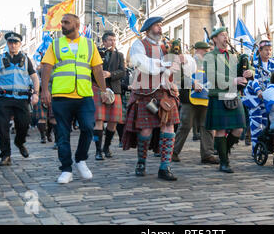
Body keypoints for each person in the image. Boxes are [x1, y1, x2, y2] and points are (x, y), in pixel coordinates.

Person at [40, 13, 108, 184]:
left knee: (88, 127)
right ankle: (66, 169)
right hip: (61, 96)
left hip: (84, 95)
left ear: (77, 25)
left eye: (66, 22)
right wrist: (44, 91)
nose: (62, 25)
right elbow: (46, 67)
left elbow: (98, 69)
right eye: (62, 22)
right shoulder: (55, 44)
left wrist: (104, 90)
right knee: (63, 134)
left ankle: (80, 159)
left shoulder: (89, 44)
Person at [123, 17, 181, 181]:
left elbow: (175, 68)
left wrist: (174, 68)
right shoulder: (138, 45)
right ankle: (141, 161)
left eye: (161, 26)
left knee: (168, 128)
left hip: (165, 93)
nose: (160, 29)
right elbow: (142, 63)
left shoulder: (166, 47)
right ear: (148, 29)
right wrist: (163, 65)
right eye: (157, 26)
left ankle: (165, 167)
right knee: (146, 130)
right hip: (146, 94)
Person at [0, 32, 40, 166]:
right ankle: (6, 155)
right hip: (5, 98)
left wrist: (36, 93)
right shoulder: (0, 59)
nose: (13, 45)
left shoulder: (26, 60)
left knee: (24, 124)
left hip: (21, 99)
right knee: (1, 125)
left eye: (15, 43)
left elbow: (34, 77)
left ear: (20, 44)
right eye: (10, 42)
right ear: (7, 44)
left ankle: (19, 143)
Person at [204, 27, 253, 173]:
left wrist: (250, 72)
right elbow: (213, 77)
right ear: (214, 39)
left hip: (233, 95)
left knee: (238, 129)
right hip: (219, 95)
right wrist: (234, 80)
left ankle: (223, 150)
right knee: (220, 131)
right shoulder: (210, 56)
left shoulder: (233, 55)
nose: (226, 37)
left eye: (227, 34)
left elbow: (243, 71)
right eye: (222, 35)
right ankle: (224, 162)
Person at [172, 41, 219, 165]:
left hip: (205, 98)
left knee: (207, 127)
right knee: (185, 126)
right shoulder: (188, 61)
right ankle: (173, 152)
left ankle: (207, 154)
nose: (209, 53)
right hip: (190, 99)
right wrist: (192, 83)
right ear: (199, 50)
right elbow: (179, 77)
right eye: (206, 50)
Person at [242, 40, 274, 157]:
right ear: (260, 51)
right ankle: (256, 151)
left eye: (270, 50)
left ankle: (267, 147)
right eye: (266, 50)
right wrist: (258, 89)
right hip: (254, 99)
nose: (268, 52)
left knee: (267, 125)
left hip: (269, 98)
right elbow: (252, 80)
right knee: (256, 125)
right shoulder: (252, 63)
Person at [92, 32, 125, 160]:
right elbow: (91, 70)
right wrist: (100, 75)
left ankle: (106, 147)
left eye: (114, 40)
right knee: (99, 120)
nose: (112, 42)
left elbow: (122, 72)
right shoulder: (97, 54)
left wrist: (110, 74)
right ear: (104, 42)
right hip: (98, 89)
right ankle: (98, 151)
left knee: (113, 122)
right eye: (110, 40)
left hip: (114, 89)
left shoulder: (120, 55)